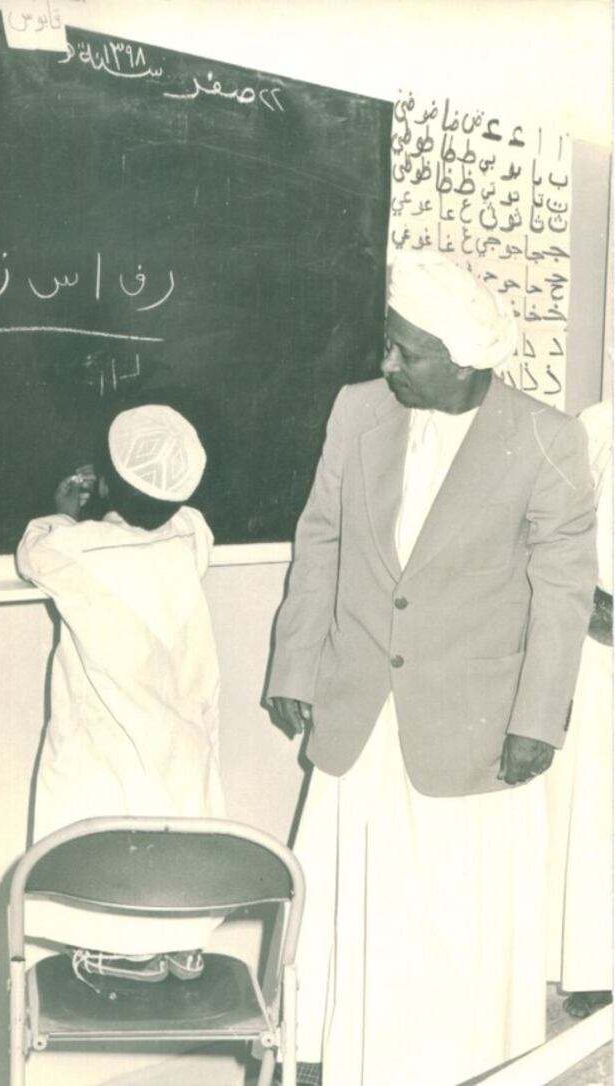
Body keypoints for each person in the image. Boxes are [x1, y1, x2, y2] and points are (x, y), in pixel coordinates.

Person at [266, 251, 597, 1086]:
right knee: (350, 918)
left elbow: (563, 596)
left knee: (451, 928)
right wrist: (295, 665)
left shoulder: (547, 438)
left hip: (473, 729)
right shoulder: (357, 411)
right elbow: (320, 539)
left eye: (405, 351)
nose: (387, 363)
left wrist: (536, 720)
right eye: (389, 343)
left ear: (459, 359)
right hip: (360, 717)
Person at [16, 404, 225, 986]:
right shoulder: (190, 535)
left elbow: (34, 551)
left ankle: (123, 951)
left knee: (107, 825)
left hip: (107, 732)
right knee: (179, 824)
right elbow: (181, 520)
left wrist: (65, 511)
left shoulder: (76, 547)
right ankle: (183, 943)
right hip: (183, 731)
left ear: (105, 482)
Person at [546, 398, 613, 1018]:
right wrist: (586, 598)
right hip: (601, 646)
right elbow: (556, 527)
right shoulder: (598, 426)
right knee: (597, 803)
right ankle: (597, 964)